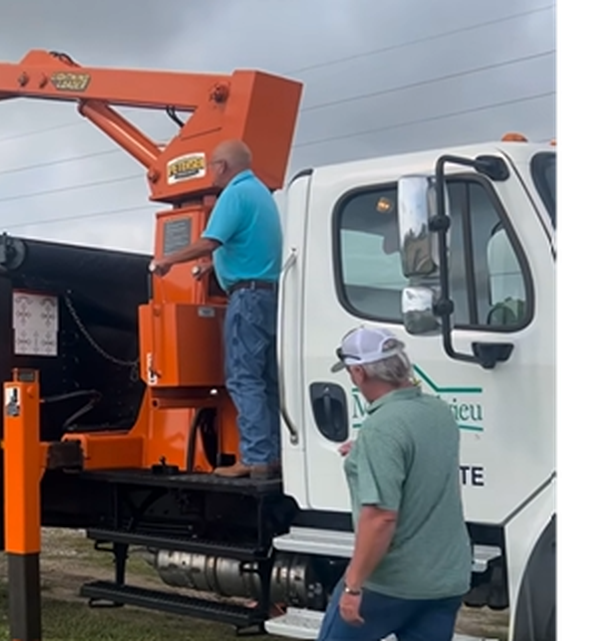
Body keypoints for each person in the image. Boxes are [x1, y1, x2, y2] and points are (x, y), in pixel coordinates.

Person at [318, 325, 473, 641]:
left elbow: (381, 517)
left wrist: (353, 586)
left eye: (349, 371)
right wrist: (365, 451)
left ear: (359, 372)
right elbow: (416, 460)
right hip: (445, 579)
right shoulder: (438, 411)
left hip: (393, 582)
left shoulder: (382, 428)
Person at [148, 139, 282, 479]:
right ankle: (274, 454)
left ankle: (255, 457)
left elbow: (210, 240)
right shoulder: (261, 195)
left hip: (247, 298)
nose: (210, 172)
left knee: (243, 377)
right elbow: (249, 246)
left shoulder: (234, 195)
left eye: (211, 166)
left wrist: (167, 260)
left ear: (221, 166)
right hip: (269, 295)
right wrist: (213, 266)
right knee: (266, 379)